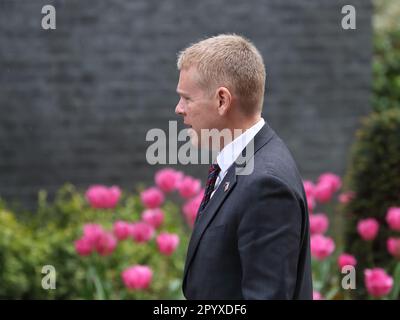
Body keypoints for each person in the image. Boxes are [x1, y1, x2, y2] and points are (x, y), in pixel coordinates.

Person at [175, 34, 313, 299]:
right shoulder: (245, 165)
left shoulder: (266, 184)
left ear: (222, 101)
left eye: (186, 98)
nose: (179, 109)